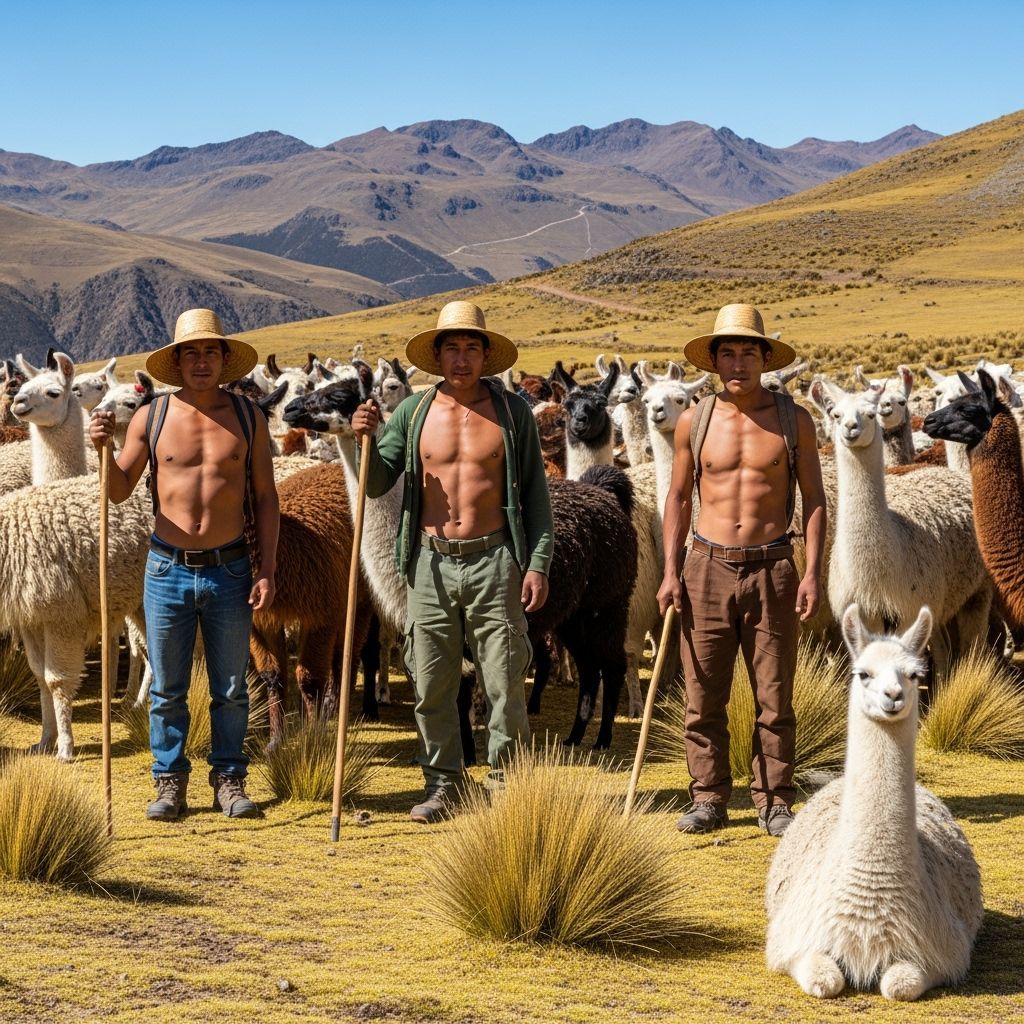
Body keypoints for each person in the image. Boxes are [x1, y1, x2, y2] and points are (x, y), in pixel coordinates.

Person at [352, 300, 553, 823]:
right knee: (431, 679)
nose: (461, 359)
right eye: (451, 348)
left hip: (495, 560)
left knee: (504, 679)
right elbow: (377, 484)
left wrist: (537, 563)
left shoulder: (511, 415)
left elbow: (535, 497)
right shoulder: (412, 413)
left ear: (486, 355)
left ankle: (508, 787)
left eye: (471, 348)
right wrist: (364, 442)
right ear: (436, 355)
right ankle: (444, 783)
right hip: (429, 562)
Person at [90, 308, 279, 822]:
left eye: (210, 352)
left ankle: (230, 779)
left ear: (224, 359)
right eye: (191, 353)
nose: (201, 362)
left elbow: (266, 498)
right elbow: (118, 490)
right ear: (176, 361)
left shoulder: (247, 417)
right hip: (166, 568)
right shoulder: (152, 417)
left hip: (231, 567)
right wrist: (103, 449)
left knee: (232, 685)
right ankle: (169, 781)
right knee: (168, 684)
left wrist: (267, 569)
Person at [657, 303, 825, 837]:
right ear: (713, 360)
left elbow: (816, 499)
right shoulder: (695, 420)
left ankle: (775, 800)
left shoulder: (792, 419)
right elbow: (679, 496)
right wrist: (669, 569)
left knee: (774, 695)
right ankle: (708, 797)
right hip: (705, 566)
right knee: (704, 693)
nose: (737, 364)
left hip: (773, 566)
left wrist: (813, 571)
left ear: (764, 358)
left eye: (747, 352)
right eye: (726, 353)